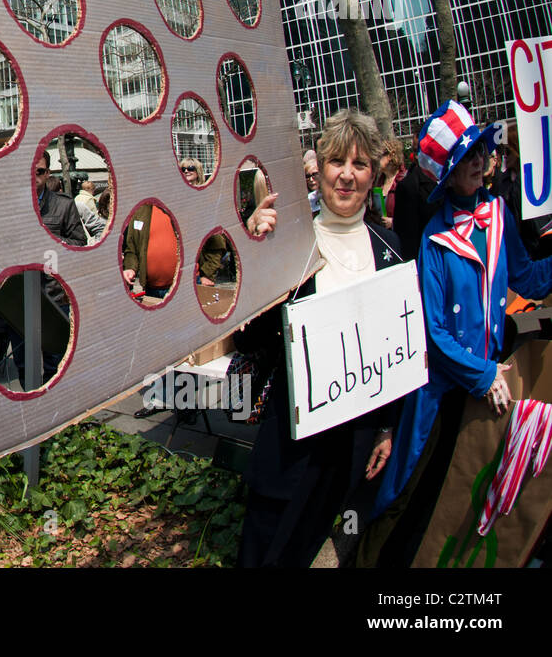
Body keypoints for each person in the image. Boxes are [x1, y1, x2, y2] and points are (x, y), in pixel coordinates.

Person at [363, 101, 552, 566]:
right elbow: (435, 331)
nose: (478, 161)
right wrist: (483, 373)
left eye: (480, 151)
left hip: (487, 391)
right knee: (409, 492)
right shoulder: (433, 236)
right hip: (445, 390)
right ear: (447, 175)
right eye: (466, 156)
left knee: (463, 496)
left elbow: (527, 280)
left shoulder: (499, 215)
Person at [236, 109, 403, 568]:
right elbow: (251, 340)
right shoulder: (289, 241)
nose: (347, 175)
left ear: (375, 173)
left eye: (360, 164)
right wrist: (257, 255)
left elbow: (398, 350)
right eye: (336, 162)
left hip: (353, 450)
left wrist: (386, 427)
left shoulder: (392, 252)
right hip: (292, 448)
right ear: (320, 169)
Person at [122, 202, 178, 300]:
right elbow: (132, 248)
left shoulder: (184, 206)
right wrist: (130, 268)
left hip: (184, 286)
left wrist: (207, 275)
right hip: (151, 289)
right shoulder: (140, 211)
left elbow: (211, 242)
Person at [35, 153, 86, 246]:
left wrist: (49, 239)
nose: (33, 175)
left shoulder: (64, 204)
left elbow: (80, 243)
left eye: (39, 171)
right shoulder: (9, 206)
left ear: (47, 173)